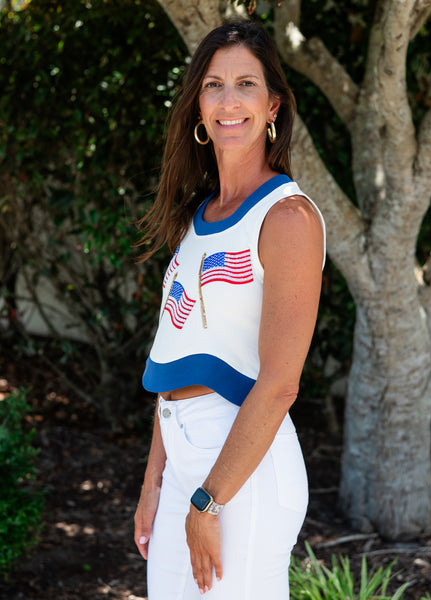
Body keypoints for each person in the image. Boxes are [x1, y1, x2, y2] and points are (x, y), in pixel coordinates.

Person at [134, 20, 325, 600]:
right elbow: (176, 360)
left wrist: (209, 498)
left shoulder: (287, 219)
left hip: (244, 471)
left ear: (273, 107)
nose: (229, 100)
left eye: (246, 84)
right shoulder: (199, 219)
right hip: (183, 464)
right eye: (214, 84)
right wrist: (154, 483)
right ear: (198, 104)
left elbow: (279, 384)